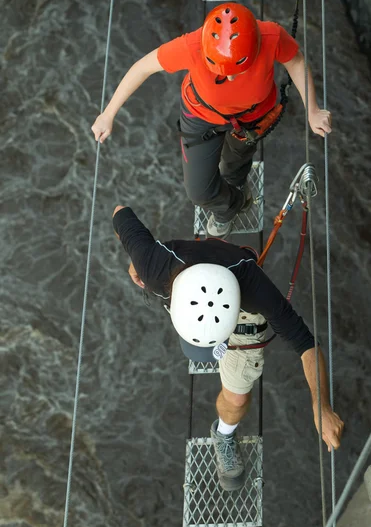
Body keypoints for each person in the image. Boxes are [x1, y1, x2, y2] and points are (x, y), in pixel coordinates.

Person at [112, 204, 344, 492]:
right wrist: (135, 261)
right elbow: (120, 212)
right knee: (208, 363)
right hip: (179, 277)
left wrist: (320, 404)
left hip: (243, 309)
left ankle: (223, 433)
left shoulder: (256, 290)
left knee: (236, 400)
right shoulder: (152, 265)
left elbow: (305, 342)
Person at [92, 3, 332, 239]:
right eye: (221, 71)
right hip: (200, 116)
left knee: (234, 166)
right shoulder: (191, 45)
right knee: (199, 191)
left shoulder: (271, 36)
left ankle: (237, 190)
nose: (229, 77)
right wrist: (108, 113)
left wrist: (312, 110)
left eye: (237, 70)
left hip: (251, 117)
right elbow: (142, 68)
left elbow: (296, 61)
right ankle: (230, 206)